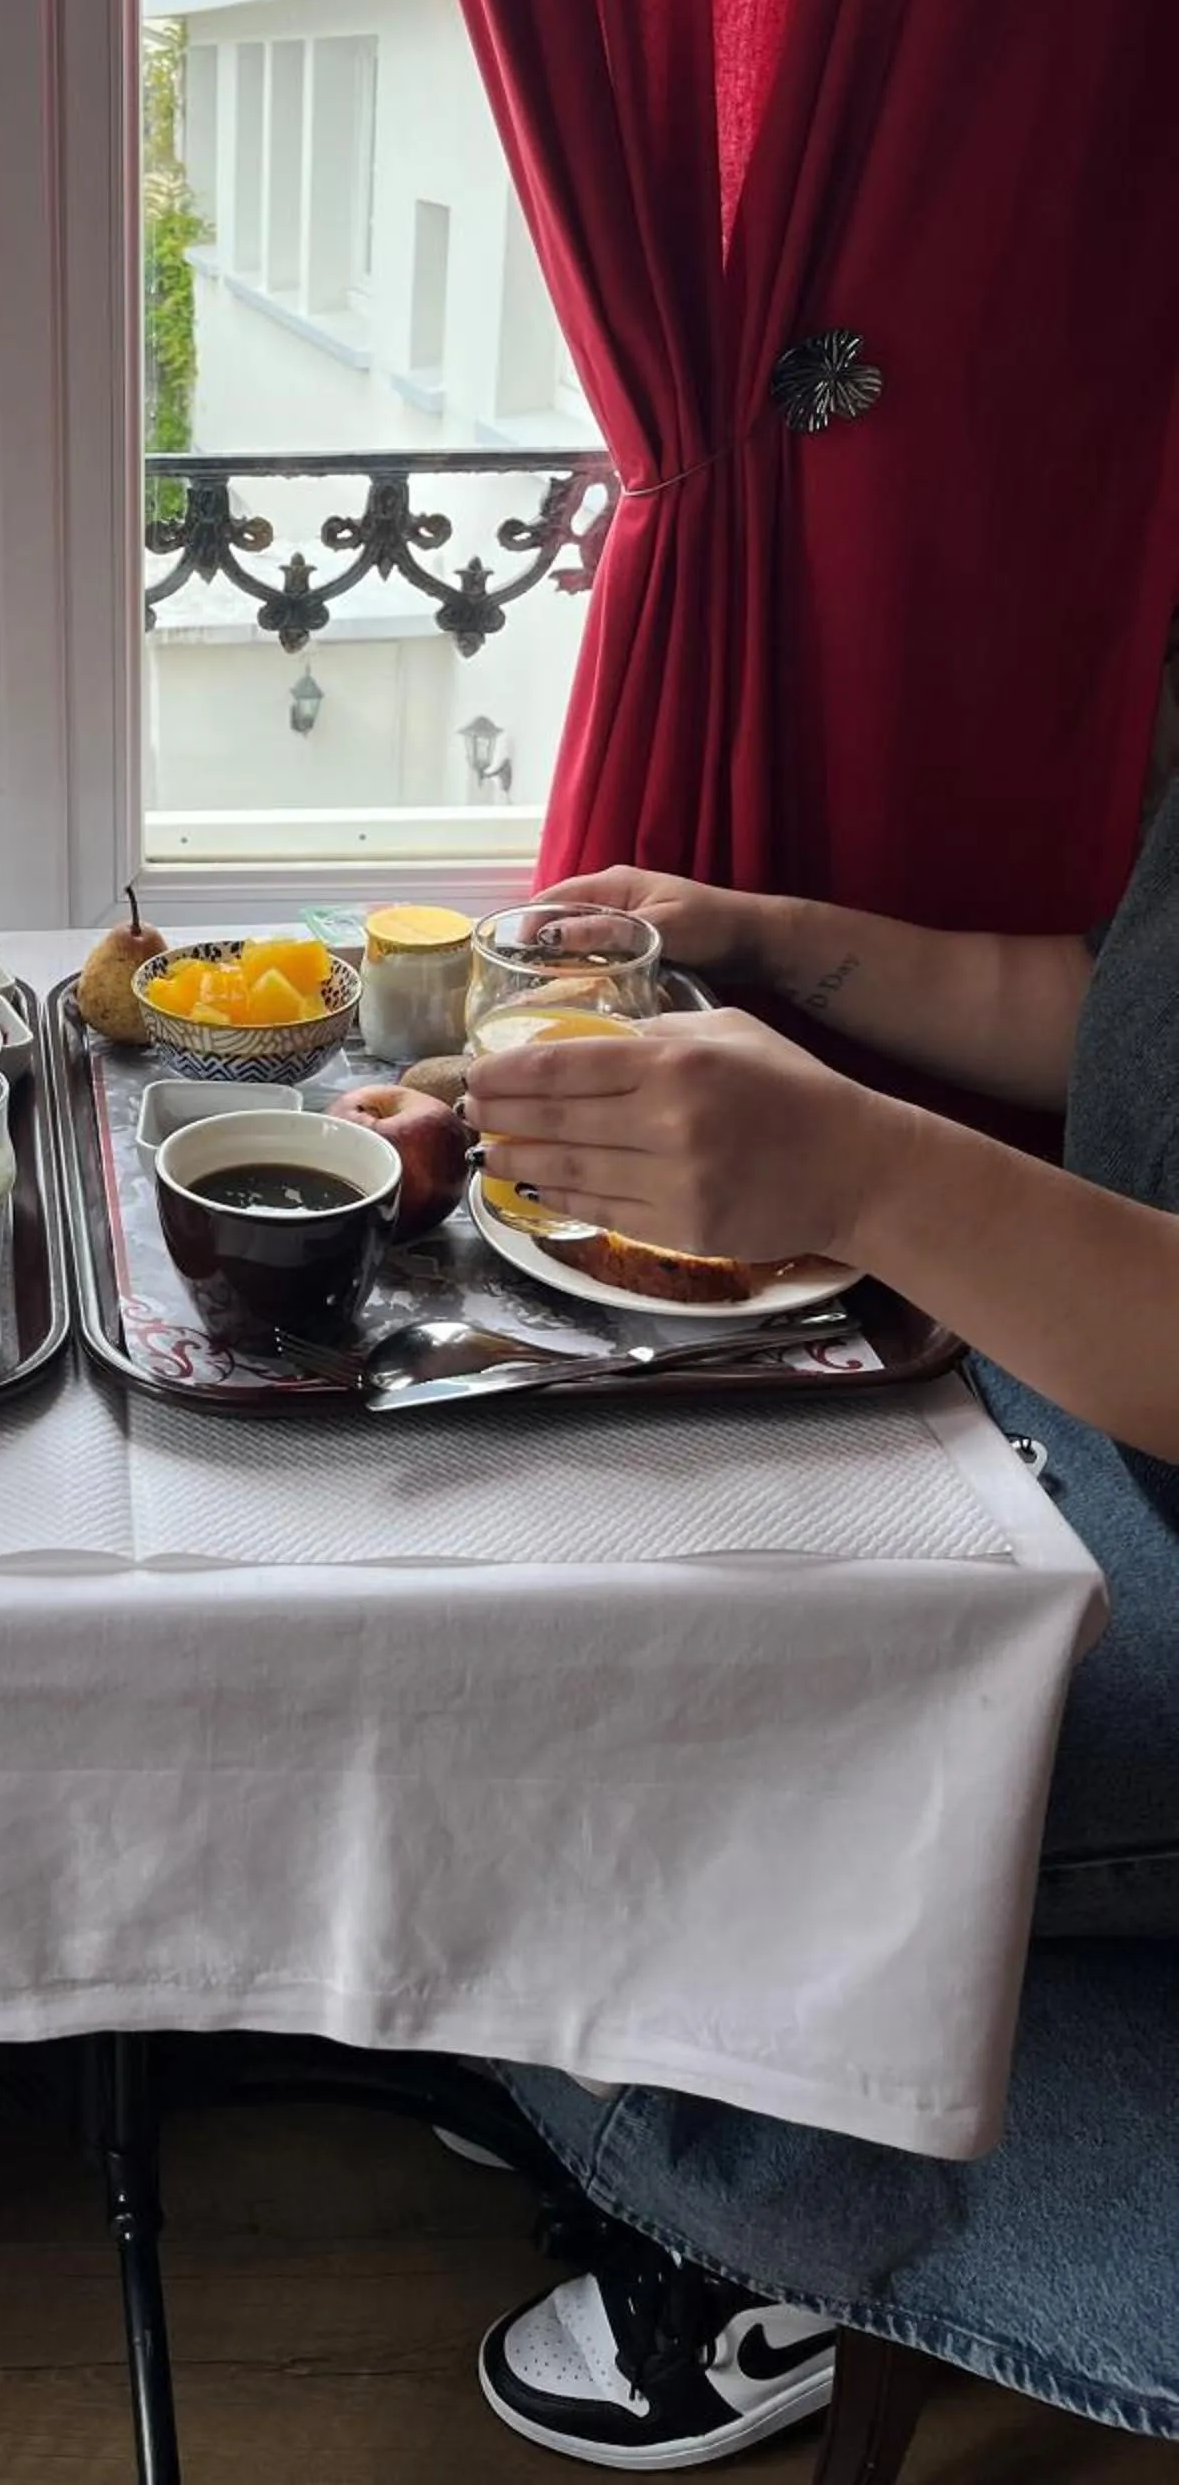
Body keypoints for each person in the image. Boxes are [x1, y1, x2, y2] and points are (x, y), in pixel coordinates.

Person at [453, 790, 1179, 2468]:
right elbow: (1117, 1009)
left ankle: (722, 2212)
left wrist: (862, 1170)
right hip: (1069, 1429)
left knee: (577, 1833)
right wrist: (769, 940)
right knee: (557, 1659)